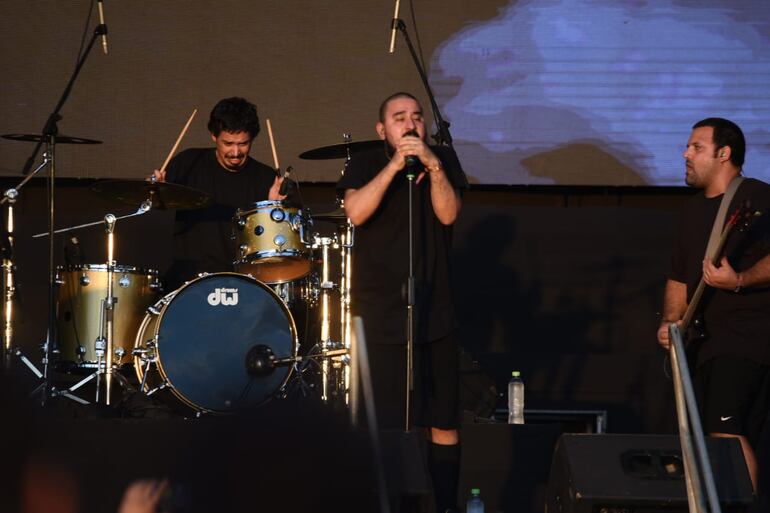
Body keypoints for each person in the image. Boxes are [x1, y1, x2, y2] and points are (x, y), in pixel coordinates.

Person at [338, 92, 467, 513]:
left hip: (435, 312)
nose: (409, 125)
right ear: (383, 130)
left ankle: (446, 505)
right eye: (399, 118)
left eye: (416, 117)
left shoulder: (442, 158)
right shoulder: (367, 161)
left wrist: (432, 164)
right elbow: (355, 213)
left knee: (443, 420)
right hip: (378, 312)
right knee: (386, 424)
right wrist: (395, 166)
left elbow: (449, 215)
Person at [657, 118, 770, 491]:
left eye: (696, 147)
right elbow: (678, 277)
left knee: (726, 432)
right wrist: (672, 321)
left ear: (724, 154)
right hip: (705, 344)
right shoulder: (690, 212)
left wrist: (739, 280)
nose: (686, 154)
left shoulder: (757, 197)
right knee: (709, 439)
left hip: (745, 338)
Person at [153, 97, 288, 291]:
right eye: (228, 143)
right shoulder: (188, 163)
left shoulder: (266, 178)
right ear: (214, 136)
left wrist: (275, 208)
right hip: (189, 279)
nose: (235, 152)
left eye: (243, 144)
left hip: (245, 281)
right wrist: (157, 190)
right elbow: (157, 204)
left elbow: (275, 243)